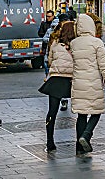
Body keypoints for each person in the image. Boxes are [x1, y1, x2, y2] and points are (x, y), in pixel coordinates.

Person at [70, 14, 105, 156]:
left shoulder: (74, 43)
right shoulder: (97, 43)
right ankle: (86, 136)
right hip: (93, 82)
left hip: (78, 82)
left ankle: (79, 146)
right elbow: (103, 65)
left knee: (81, 115)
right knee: (96, 112)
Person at [38, 21, 76, 152]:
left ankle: (50, 141)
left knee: (52, 112)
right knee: (82, 111)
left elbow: (50, 60)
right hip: (72, 80)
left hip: (56, 80)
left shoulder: (54, 44)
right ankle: (82, 140)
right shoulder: (77, 45)